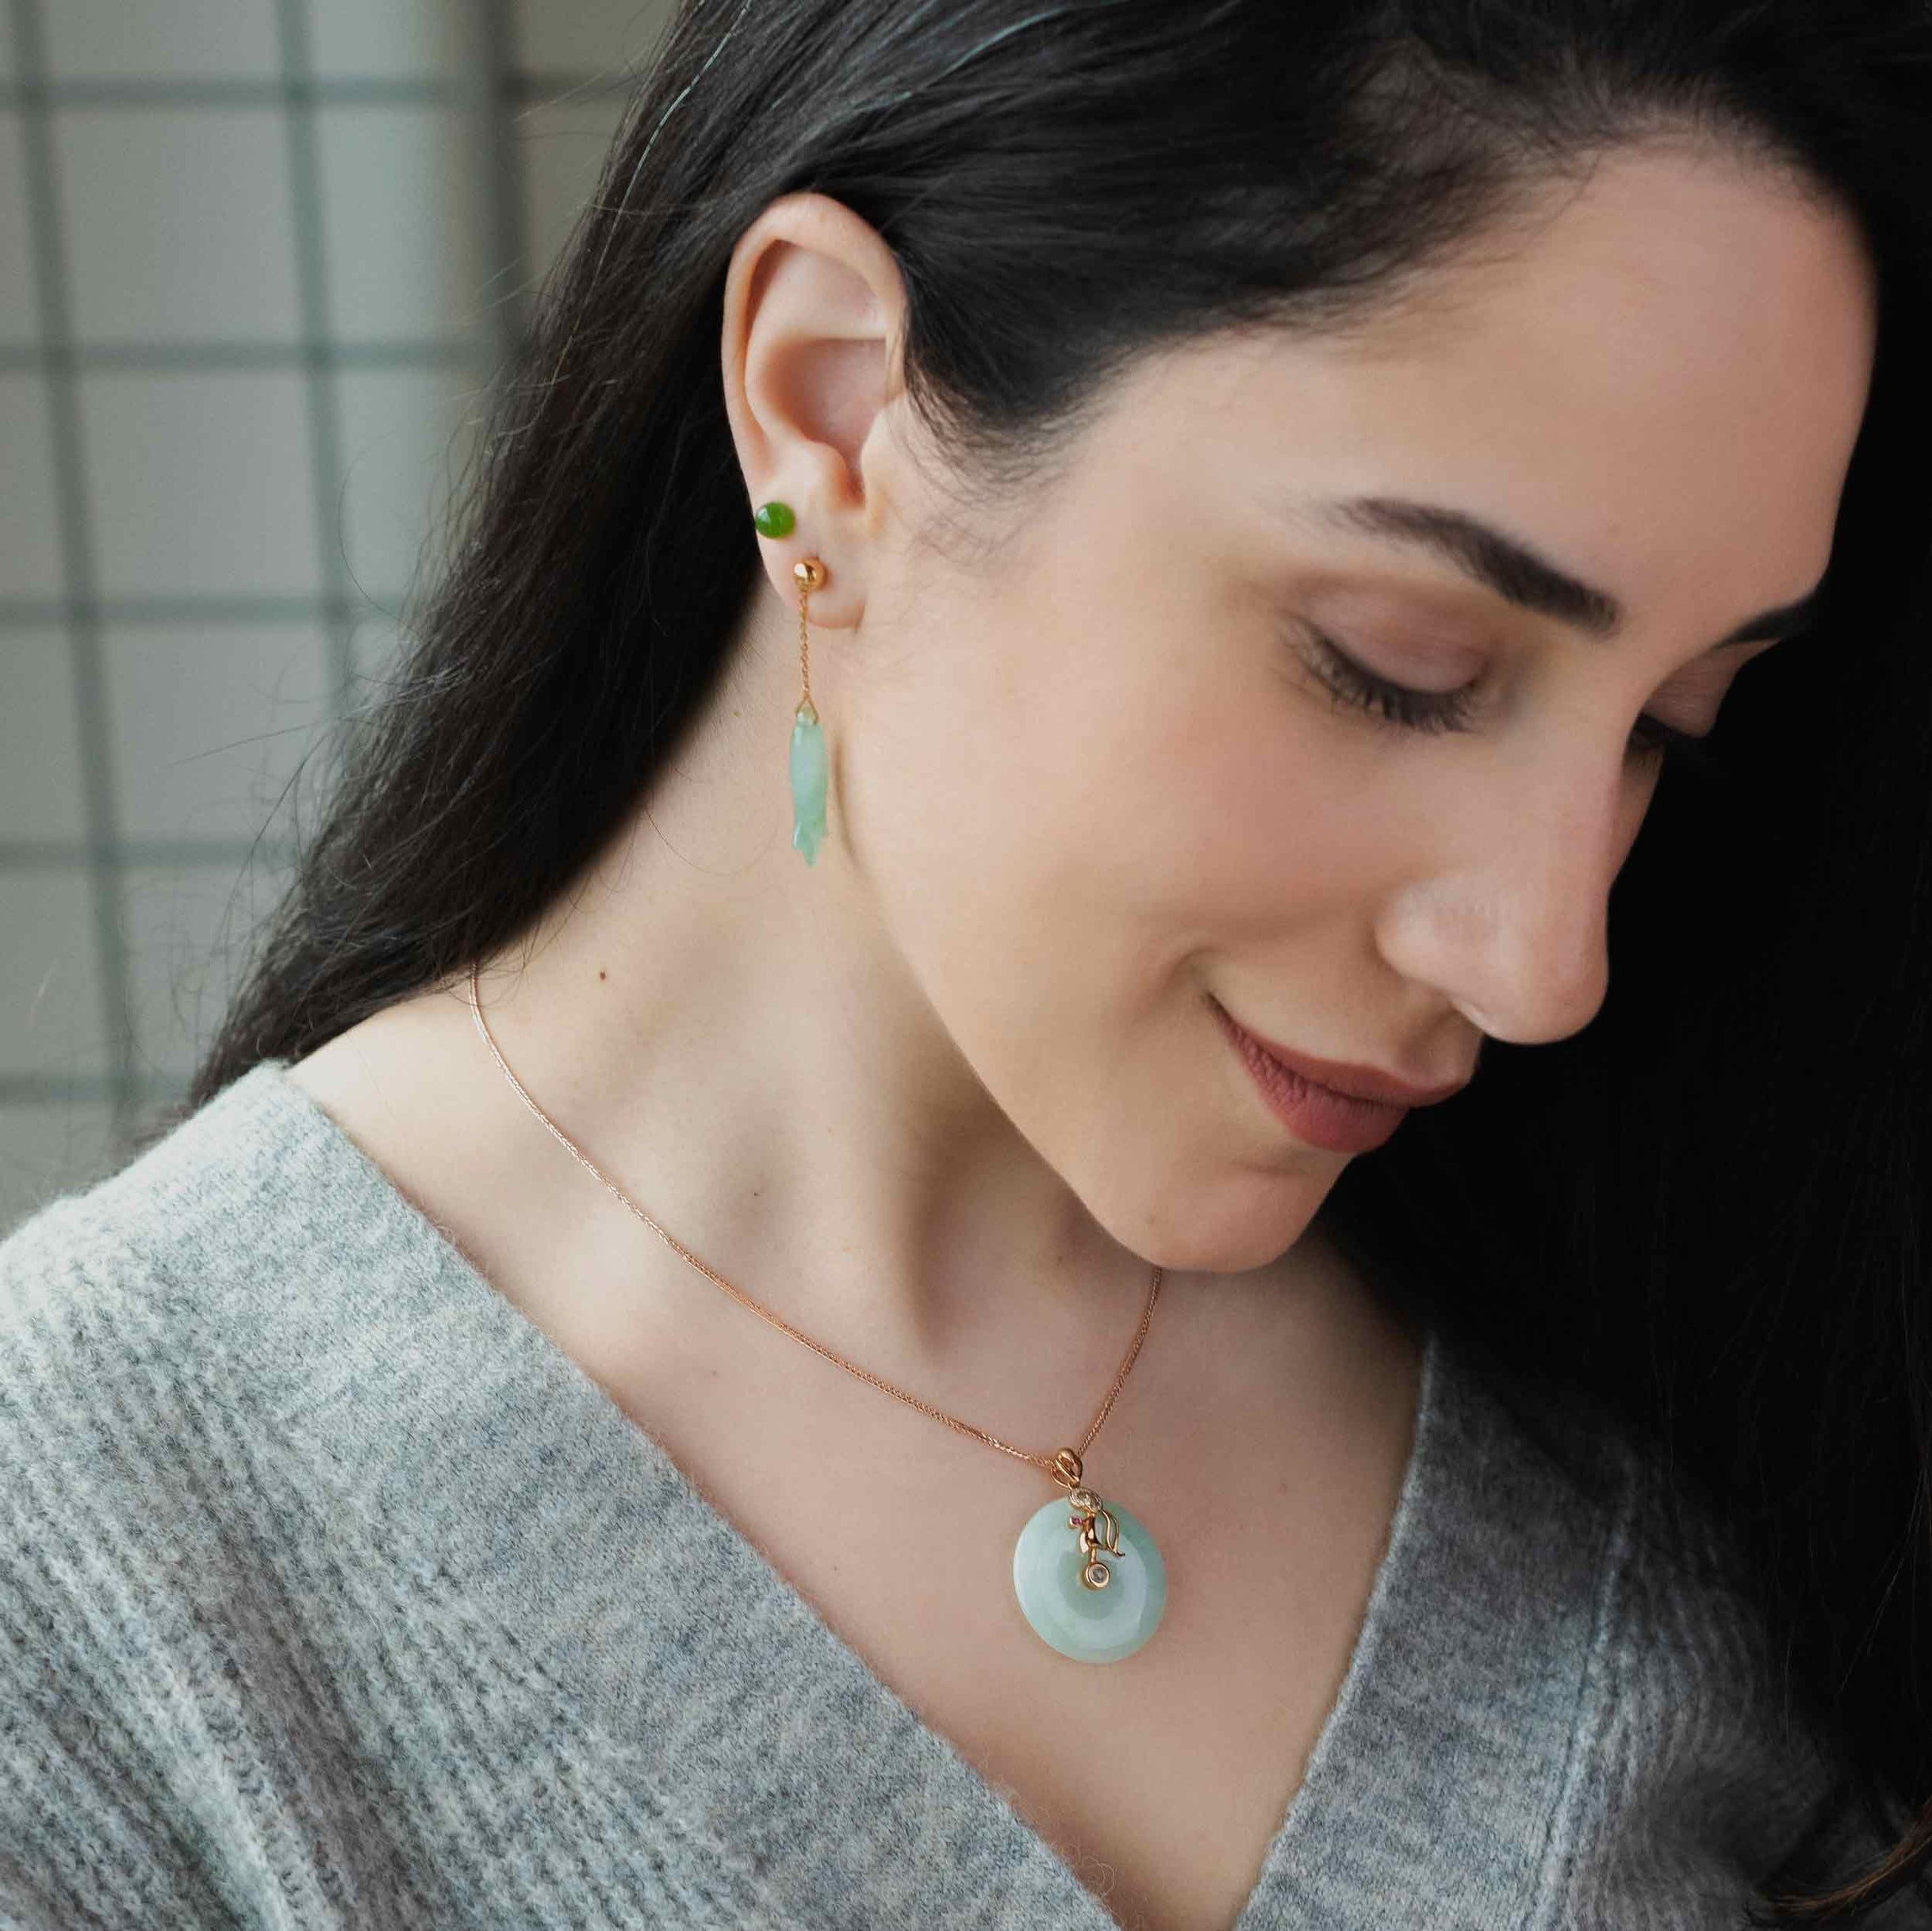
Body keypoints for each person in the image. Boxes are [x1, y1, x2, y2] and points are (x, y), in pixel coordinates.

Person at [5, 2, 1930, 1925]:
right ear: (835, 408)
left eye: (1671, 727)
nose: (1544, 964)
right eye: (1397, 668)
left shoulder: (1721, 1418)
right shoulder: (100, 1586)